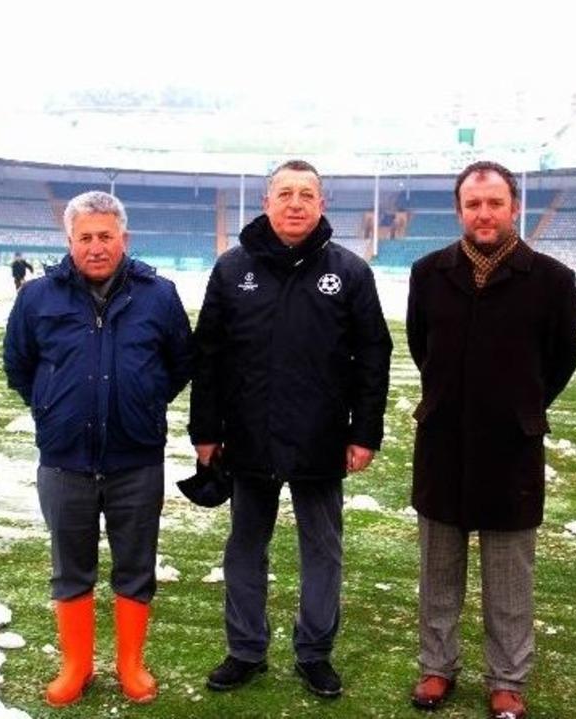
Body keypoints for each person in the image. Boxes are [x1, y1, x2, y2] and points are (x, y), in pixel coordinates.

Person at [189, 159, 392, 699]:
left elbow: (374, 355)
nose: (296, 203)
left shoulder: (349, 271)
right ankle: (245, 650)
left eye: (307, 194)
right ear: (266, 203)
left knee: (322, 549)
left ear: (322, 204)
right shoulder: (232, 269)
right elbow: (207, 355)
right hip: (248, 436)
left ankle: (315, 653)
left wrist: (365, 432)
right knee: (244, 547)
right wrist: (205, 430)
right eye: (285, 193)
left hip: (321, 437)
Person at [406, 161, 576, 719]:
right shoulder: (428, 273)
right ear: (460, 210)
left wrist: (520, 406)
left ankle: (507, 679)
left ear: (514, 208)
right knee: (438, 573)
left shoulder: (553, 281)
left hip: (512, 447)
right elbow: (421, 346)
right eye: (473, 204)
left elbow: (561, 358)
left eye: (494, 203)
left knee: (510, 578)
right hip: (443, 444)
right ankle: (437, 668)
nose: (484, 214)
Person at [3, 191, 192, 707]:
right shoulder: (37, 298)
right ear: (70, 241)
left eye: (105, 236)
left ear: (123, 239)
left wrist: (143, 402)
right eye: (85, 237)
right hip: (65, 460)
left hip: (136, 460)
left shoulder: (159, 295)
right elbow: (19, 365)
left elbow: (179, 364)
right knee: (70, 566)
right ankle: (77, 665)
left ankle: (130, 664)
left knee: (136, 564)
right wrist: (50, 406)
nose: (96, 246)